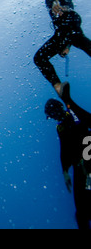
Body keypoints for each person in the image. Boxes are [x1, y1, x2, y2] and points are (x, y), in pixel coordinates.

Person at [34, 0, 91, 97]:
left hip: (66, 24)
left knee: (40, 58)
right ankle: (59, 88)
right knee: (83, 43)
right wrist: (67, 45)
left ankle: (58, 87)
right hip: (69, 25)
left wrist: (54, 0)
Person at [45, 84, 91, 229]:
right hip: (79, 168)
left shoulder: (74, 115)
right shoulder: (60, 127)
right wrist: (65, 171)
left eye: (53, 115)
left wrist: (86, 161)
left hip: (88, 166)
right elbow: (63, 150)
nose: (53, 119)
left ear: (58, 110)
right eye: (51, 117)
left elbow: (87, 135)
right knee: (81, 211)